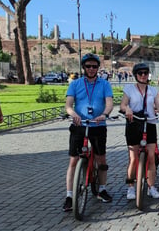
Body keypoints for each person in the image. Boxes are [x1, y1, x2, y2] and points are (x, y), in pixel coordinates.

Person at [62, 54, 114, 211]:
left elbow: (109, 103)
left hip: (97, 125)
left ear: (98, 68)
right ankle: (70, 196)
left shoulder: (104, 84)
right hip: (80, 124)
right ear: (83, 67)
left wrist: (104, 114)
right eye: (88, 66)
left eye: (94, 66)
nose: (91, 69)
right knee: (73, 160)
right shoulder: (75, 84)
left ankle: (102, 189)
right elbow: (68, 105)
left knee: (101, 158)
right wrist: (74, 114)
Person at [121, 63, 159, 200]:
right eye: (140, 73)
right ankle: (131, 186)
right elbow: (123, 104)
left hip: (149, 123)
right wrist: (127, 109)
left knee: (151, 157)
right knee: (133, 158)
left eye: (145, 73)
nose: (143, 75)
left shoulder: (153, 90)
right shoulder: (129, 89)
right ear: (135, 75)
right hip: (134, 123)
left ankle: (151, 186)